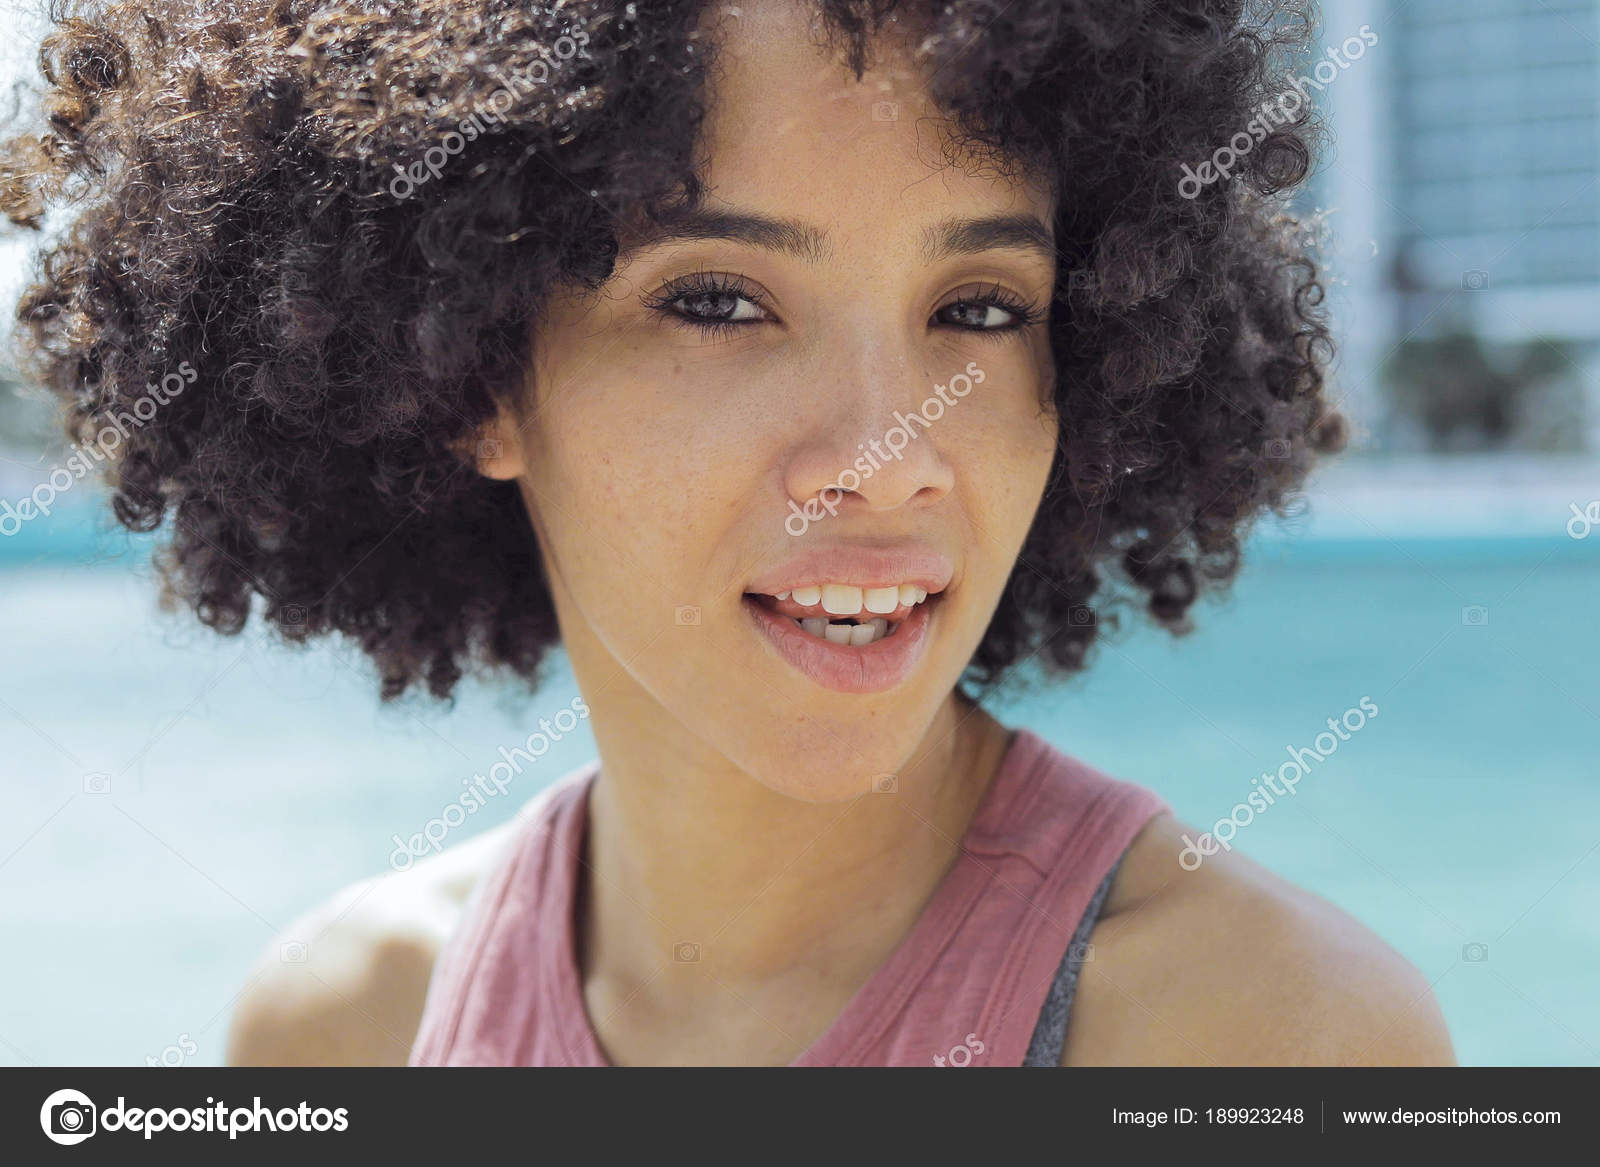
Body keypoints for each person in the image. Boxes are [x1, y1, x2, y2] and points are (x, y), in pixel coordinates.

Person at [1, 0, 1453, 1065]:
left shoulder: (1271, 1041)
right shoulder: (341, 1030)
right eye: (717, 301)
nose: (888, 462)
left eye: (982, 311)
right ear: (471, 377)